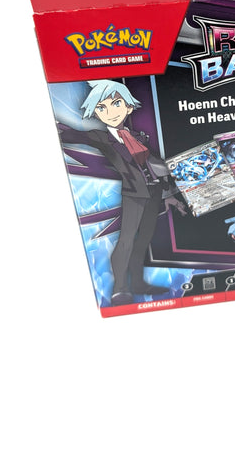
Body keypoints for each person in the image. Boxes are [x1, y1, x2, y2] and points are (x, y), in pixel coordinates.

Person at [60, 79, 186, 306]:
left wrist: (169, 195)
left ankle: (137, 284)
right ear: (96, 113)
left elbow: (156, 167)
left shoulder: (136, 136)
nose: (111, 112)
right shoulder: (102, 137)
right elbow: (73, 135)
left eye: (116, 104)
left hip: (154, 192)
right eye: (102, 108)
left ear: (128, 106)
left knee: (143, 240)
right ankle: (120, 289)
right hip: (134, 195)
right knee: (126, 241)